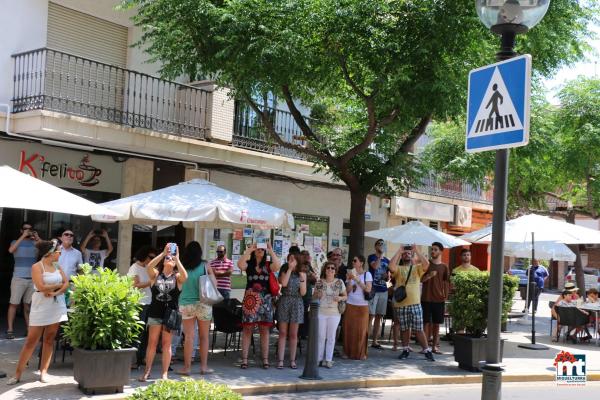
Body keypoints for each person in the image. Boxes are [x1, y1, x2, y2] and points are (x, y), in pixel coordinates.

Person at [8, 239, 68, 385]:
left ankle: (44, 372)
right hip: (41, 305)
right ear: (50, 253)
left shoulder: (58, 266)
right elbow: (40, 287)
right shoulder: (37, 266)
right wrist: (57, 286)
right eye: (59, 251)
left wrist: (55, 292)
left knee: (50, 338)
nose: (60, 253)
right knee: (31, 341)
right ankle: (17, 374)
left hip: (56, 304)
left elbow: (66, 284)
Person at [139, 243, 188, 382]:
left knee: (166, 344)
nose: (169, 259)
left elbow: (185, 276)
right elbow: (149, 267)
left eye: (171, 259)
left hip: (170, 314)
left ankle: (165, 373)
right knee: (152, 342)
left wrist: (177, 258)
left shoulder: (177, 277)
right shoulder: (156, 275)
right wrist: (162, 254)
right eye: (168, 258)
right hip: (155, 312)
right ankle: (147, 371)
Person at [237, 242, 281, 369]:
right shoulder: (249, 265)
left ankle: (265, 360)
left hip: (265, 301)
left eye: (262, 249)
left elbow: (277, 266)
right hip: (250, 302)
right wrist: (249, 250)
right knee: (247, 329)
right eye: (258, 249)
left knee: (264, 330)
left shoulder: (268, 265)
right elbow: (239, 264)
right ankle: (244, 359)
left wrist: (271, 250)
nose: (260, 250)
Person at [389, 244, 434, 361]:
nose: (406, 254)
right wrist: (399, 250)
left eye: (409, 253)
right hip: (401, 304)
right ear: (402, 256)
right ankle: (405, 349)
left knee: (419, 329)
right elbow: (391, 266)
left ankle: (426, 350)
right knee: (404, 328)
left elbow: (427, 265)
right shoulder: (398, 269)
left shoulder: (417, 268)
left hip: (415, 304)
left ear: (412, 255)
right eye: (405, 253)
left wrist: (417, 251)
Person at [177, 241, 216, 375]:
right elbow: (214, 283)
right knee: (204, 337)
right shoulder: (205, 265)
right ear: (200, 252)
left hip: (186, 303)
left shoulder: (182, 266)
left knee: (189, 336)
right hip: (203, 302)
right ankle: (204, 367)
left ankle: (187, 368)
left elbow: (179, 284)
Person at [6, 222, 40, 339]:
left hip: (32, 279)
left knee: (28, 305)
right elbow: (11, 250)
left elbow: (46, 250)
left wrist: (37, 237)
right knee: (14, 304)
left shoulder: (35, 243)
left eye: (30, 229)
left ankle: (29, 329)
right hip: (18, 278)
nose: (28, 231)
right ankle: (10, 330)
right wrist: (23, 236)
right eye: (25, 229)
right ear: (21, 230)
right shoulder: (15, 242)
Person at [128, 245, 157, 369]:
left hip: (148, 302)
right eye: (151, 257)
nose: (152, 259)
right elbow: (135, 285)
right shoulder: (134, 268)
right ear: (144, 256)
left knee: (145, 332)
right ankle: (133, 360)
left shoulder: (147, 268)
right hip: (139, 303)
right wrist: (151, 282)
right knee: (137, 331)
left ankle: (142, 358)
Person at [276, 254, 306, 369]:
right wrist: (289, 268)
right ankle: (280, 360)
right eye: (289, 260)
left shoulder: (302, 273)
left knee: (294, 334)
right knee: (283, 332)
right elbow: (283, 284)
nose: (291, 261)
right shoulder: (284, 270)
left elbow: (303, 293)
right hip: (285, 300)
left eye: (293, 260)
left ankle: (293, 360)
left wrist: (302, 278)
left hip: (297, 302)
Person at [314, 261, 346, 368]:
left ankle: (328, 359)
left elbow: (346, 296)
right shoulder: (319, 282)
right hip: (321, 312)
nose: (330, 269)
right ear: (325, 269)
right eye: (328, 268)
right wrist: (318, 294)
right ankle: (319, 359)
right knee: (321, 336)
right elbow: (314, 297)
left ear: (335, 271)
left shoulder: (340, 282)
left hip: (334, 313)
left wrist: (340, 298)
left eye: (333, 268)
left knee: (331, 337)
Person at [421, 242, 449, 354]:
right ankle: (425, 346)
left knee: (437, 323)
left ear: (441, 251)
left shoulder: (444, 266)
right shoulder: (426, 265)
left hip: (439, 299)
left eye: (435, 249)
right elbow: (420, 280)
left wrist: (445, 297)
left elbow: (446, 282)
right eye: (432, 249)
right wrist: (428, 276)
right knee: (425, 322)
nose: (433, 251)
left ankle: (435, 346)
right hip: (426, 298)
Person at [343, 255, 372, 360]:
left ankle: (360, 353)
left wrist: (357, 279)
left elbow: (368, 289)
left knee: (361, 330)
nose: (353, 262)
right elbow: (347, 291)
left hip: (362, 306)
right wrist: (350, 280)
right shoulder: (350, 273)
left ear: (361, 262)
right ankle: (347, 352)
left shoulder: (367, 274)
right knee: (349, 329)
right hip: (350, 304)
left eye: (355, 260)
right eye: (353, 260)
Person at [367, 239, 390, 349]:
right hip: (374, 290)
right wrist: (380, 256)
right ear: (375, 246)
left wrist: (387, 276)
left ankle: (375, 341)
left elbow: (388, 277)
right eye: (379, 244)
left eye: (383, 244)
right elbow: (375, 267)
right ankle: (365, 339)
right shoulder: (372, 257)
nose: (381, 246)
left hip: (383, 289)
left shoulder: (387, 260)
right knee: (370, 315)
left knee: (379, 316)